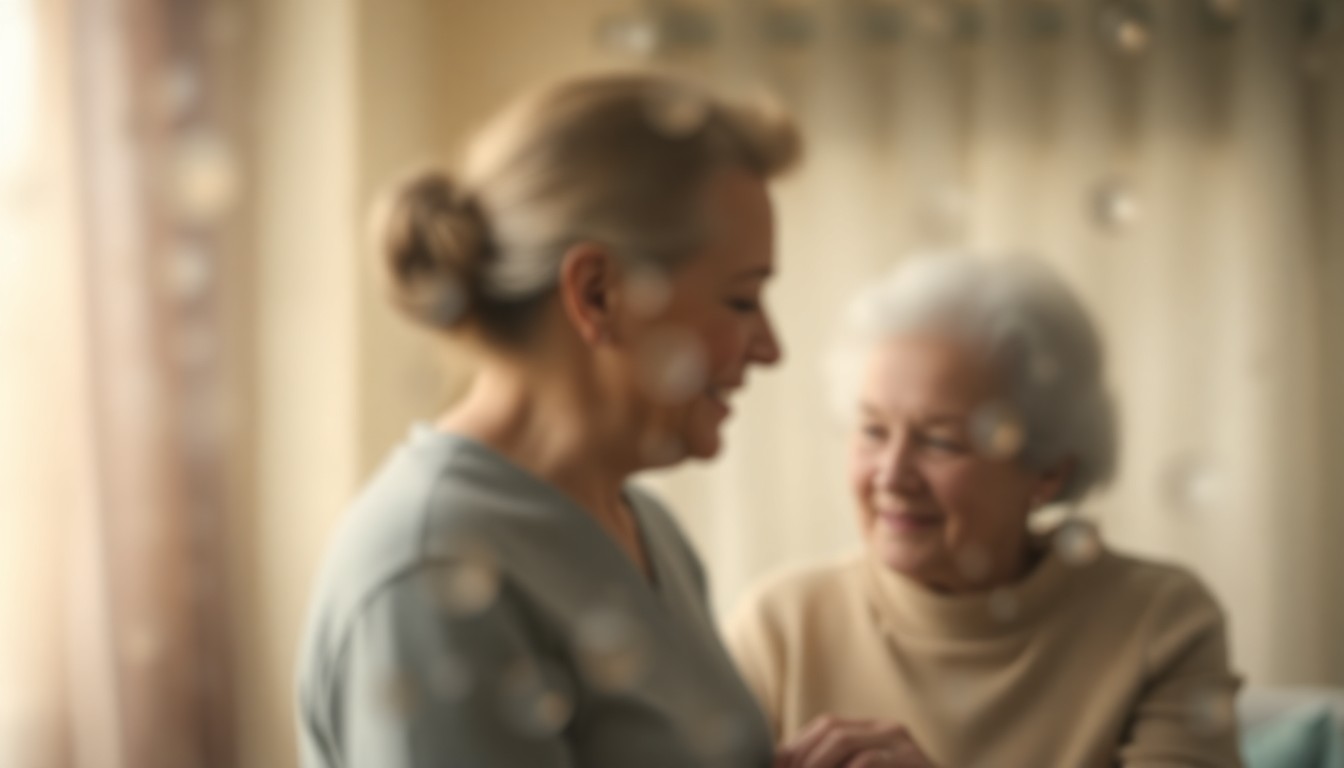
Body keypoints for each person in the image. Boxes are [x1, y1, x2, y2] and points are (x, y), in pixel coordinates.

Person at [295, 71, 800, 768]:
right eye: (741, 302)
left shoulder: (647, 530)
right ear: (598, 294)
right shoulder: (429, 568)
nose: (771, 349)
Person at [726, 254, 1245, 768]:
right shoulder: (780, 629)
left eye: (940, 441)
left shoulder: (1160, 622)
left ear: (1049, 469)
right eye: (873, 431)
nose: (891, 475)